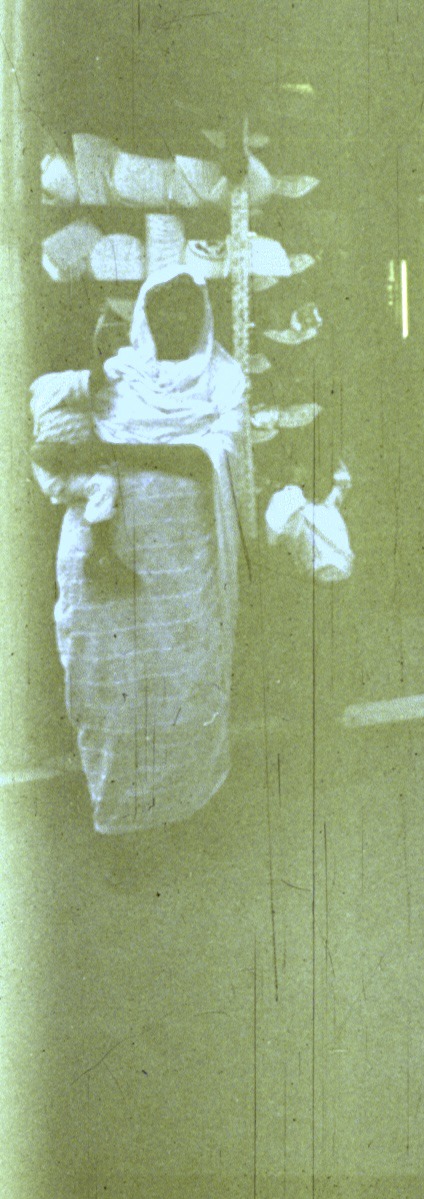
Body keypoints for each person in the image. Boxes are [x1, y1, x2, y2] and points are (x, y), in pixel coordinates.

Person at [30, 266, 247, 843]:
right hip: (104, 555)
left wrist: (115, 448)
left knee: (183, 681)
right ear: (144, 313)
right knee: (108, 685)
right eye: (162, 307)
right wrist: (104, 451)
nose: (173, 318)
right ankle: (121, 823)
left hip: (182, 566)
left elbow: (214, 457)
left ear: (202, 313)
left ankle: (186, 814)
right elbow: (60, 438)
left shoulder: (223, 379)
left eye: (185, 308)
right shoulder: (120, 373)